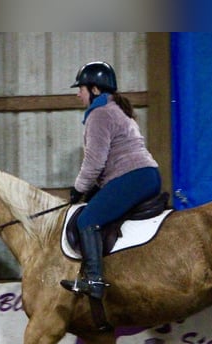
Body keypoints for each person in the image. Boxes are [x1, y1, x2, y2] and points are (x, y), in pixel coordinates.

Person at [60, 61, 162, 300]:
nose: (78, 94)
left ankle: (94, 280)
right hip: (146, 175)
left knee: (87, 219)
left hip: (133, 177)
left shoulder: (99, 114)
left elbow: (94, 162)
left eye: (81, 89)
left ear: (95, 89)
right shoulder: (117, 110)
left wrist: (78, 189)